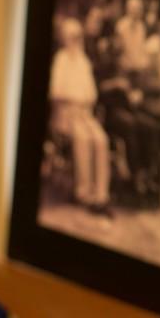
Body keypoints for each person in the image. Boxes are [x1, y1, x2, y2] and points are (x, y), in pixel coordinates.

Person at [49, 18, 111, 216]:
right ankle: (83, 193)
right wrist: (75, 101)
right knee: (83, 139)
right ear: (65, 39)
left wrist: (85, 103)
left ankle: (101, 195)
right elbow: (56, 92)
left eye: (78, 37)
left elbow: (92, 93)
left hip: (85, 112)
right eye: (72, 37)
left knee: (101, 140)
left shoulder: (84, 61)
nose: (76, 40)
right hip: (66, 112)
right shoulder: (61, 60)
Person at [115, 0, 149, 76]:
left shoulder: (142, 26)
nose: (138, 11)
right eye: (135, 8)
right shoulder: (121, 26)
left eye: (140, 9)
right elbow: (120, 50)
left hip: (138, 67)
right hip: (125, 67)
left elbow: (141, 49)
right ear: (128, 9)